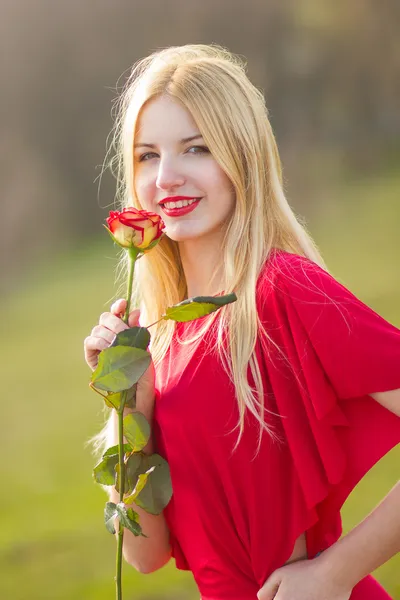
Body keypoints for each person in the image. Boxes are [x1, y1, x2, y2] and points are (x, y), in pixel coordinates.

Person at [84, 44, 400, 600]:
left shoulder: (282, 291)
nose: (167, 178)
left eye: (196, 149)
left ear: (242, 157)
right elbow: (144, 554)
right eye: (147, 156)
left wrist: (336, 572)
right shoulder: (151, 331)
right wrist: (126, 405)